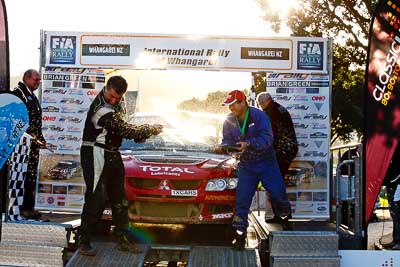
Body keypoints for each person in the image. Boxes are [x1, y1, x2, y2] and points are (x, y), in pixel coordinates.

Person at [78, 76, 163, 256]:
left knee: (120, 199)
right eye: (111, 97)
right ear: (106, 88)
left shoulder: (120, 102)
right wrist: (148, 129)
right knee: (97, 198)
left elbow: (123, 126)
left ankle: (123, 239)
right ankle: (83, 240)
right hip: (95, 152)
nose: (114, 100)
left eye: (118, 98)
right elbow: (123, 129)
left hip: (113, 152)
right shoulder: (99, 108)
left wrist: (139, 135)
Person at [217, 90, 292, 250]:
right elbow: (226, 140)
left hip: (267, 163)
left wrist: (248, 144)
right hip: (246, 165)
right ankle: (239, 236)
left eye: (233, 104)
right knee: (242, 202)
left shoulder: (260, 116)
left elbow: (267, 139)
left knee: (278, 194)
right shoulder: (229, 120)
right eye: (228, 105)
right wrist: (226, 147)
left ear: (243, 102)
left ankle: (285, 218)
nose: (231, 108)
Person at [256, 92, 298, 223]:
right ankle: (280, 215)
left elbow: (269, 135)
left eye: (259, 104)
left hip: (282, 151)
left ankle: (283, 215)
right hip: (287, 149)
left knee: (274, 183)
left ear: (264, 102)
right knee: (275, 182)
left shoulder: (270, 112)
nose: (260, 107)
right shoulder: (279, 108)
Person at [12, 69, 46, 219]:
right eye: (35, 80)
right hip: (21, 147)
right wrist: (29, 135)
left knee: (31, 176)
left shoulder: (32, 96)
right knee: (21, 175)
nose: (38, 83)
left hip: (33, 145)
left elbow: (36, 122)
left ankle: (28, 207)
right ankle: (19, 208)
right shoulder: (18, 94)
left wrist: (41, 138)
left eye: (39, 80)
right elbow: (17, 120)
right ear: (26, 78)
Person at [381, 144, 400, 250]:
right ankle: (396, 239)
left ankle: (398, 241)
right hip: (393, 183)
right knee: (394, 212)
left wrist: (392, 180)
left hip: (396, 183)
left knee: (396, 212)